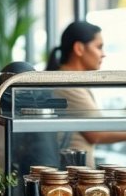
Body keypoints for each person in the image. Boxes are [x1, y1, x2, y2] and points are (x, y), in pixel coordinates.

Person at [46, 20, 126, 167]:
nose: (103, 54)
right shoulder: (67, 83)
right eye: (99, 47)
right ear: (79, 48)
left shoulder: (71, 80)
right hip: (74, 177)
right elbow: (97, 133)